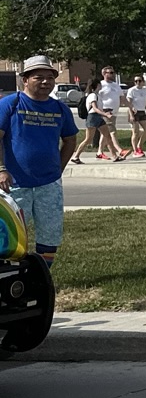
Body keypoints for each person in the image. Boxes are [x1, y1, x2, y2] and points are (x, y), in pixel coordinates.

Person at [0, 56, 81, 265]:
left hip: (49, 185)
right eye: (39, 77)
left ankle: (42, 277)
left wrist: (57, 170)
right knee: (10, 236)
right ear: (25, 79)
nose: (46, 82)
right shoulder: (10, 104)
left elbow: (70, 140)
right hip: (14, 185)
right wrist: (1, 170)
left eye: (50, 77)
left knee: (50, 234)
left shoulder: (60, 109)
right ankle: (11, 279)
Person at [88, 66, 125, 160]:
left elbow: (122, 98)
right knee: (111, 131)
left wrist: (131, 107)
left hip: (114, 112)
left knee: (104, 133)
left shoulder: (116, 85)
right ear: (104, 74)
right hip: (105, 111)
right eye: (110, 72)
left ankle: (100, 152)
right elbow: (94, 97)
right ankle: (119, 150)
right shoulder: (101, 85)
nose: (113, 74)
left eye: (113, 72)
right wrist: (102, 111)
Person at [123, 76, 146, 158]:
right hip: (134, 112)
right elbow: (129, 103)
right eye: (136, 81)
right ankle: (135, 150)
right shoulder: (132, 90)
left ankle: (140, 145)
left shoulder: (145, 90)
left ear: (143, 81)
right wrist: (131, 115)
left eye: (139, 81)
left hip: (142, 111)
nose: (137, 83)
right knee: (135, 132)